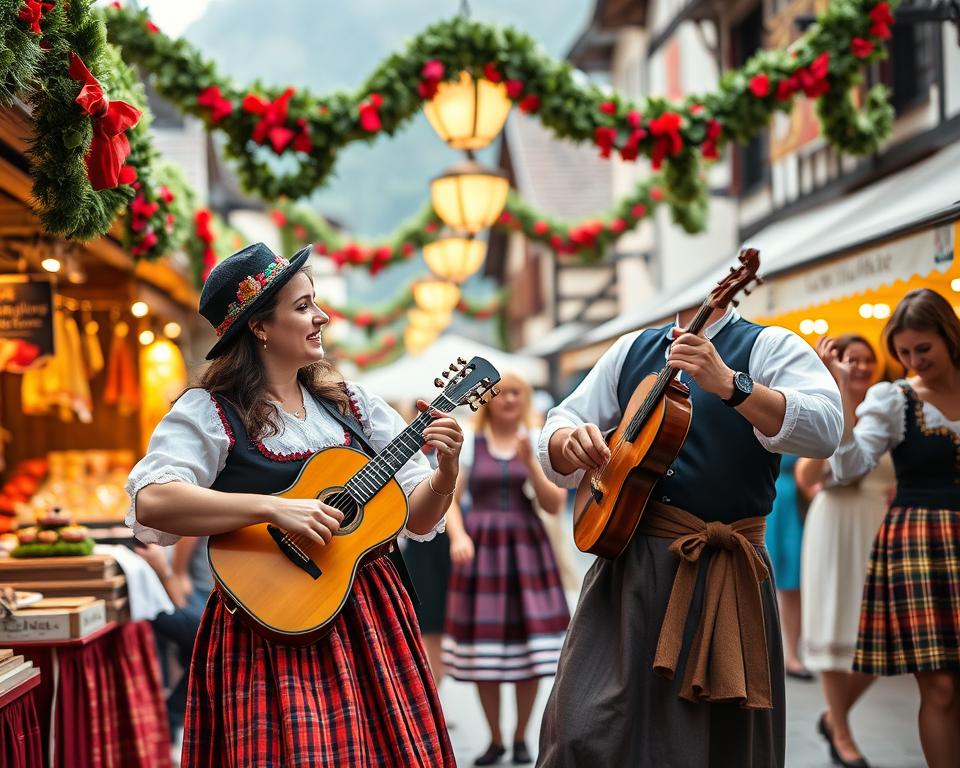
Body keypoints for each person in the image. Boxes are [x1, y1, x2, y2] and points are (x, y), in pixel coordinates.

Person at [125, 243, 462, 767]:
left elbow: (417, 515)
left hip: (370, 617)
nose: (321, 316)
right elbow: (153, 501)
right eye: (303, 307)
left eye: (316, 303)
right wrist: (272, 509)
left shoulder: (353, 406)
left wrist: (445, 472)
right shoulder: (209, 412)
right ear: (260, 327)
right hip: (267, 623)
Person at [535, 302, 843, 767]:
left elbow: (825, 430)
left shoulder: (769, 345)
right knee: (580, 728)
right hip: (628, 570)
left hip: (723, 574)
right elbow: (560, 424)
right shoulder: (631, 348)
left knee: (711, 740)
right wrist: (567, 442)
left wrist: (732, 385)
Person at [825, 289, 960, 768]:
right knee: (940, 686)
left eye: (923, 348)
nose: (913, 361)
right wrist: (841, 395)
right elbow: (849, 466)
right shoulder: (894, 398)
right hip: (918, 543)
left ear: (948, 336)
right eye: (902, 352)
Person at [442, 371, 570, 766]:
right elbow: (448, 497)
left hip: (526, 551)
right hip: (482, 555)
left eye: (517, 392)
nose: (509, 399)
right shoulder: (470, 443)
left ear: (525, 398)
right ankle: (494, 738)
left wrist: (530, 463)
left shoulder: (534, 441)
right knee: (485, 653)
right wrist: (458, 536)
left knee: (529, 651)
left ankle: (519, 738)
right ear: (489, 400)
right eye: (501, 393)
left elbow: (553, 504)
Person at [796, 333, 894, 768]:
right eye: (850, 360)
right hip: (835, 523)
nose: (859, 367)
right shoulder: (825, 405)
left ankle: (833, 716)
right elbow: (805, 476)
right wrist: (832, 393)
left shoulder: (888, 406)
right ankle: (843, 732)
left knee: (888, 637)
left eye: (866, 359)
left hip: (879, 523)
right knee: (836, 626)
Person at [764, 454, 811, 681]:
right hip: (768, 490)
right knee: (758, 574)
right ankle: (760, 652)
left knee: (793, 576)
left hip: (797, 496)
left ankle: (792, 653)